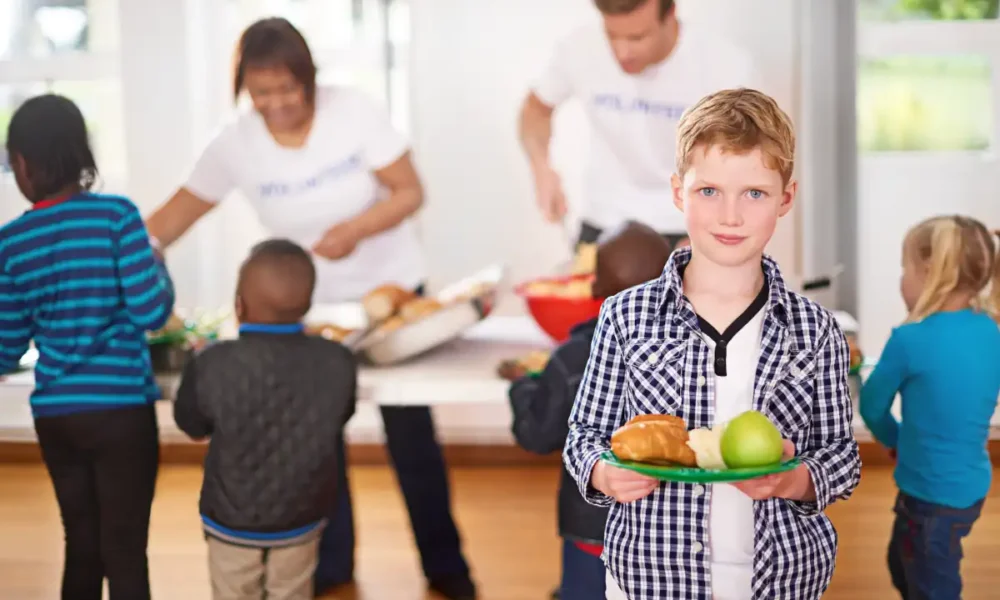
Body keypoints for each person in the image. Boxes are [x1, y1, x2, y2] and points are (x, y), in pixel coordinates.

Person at [143, 18, 476, 599]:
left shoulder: (355, 112)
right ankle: (331, 565)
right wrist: (114, 251)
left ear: (309, 80)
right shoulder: (234, 145)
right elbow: (165, 224)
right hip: (310, 308)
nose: (275, 104)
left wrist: (355, 229)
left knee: (410, 432)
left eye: (286, 89)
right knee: (318, 435)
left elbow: (410, 191)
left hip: (390, 292)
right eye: (260, 93)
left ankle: (446, 567)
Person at [562, 88, 862, 599]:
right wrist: (604, 475)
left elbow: (842, 455)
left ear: (785, 198)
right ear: (679, 192)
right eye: (709, 192)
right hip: (650, 579)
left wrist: (795, 480)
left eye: (754, 193)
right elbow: (584, 434)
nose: (730, 215)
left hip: (782, 580)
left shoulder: (816, 330)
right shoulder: (625, 317)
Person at [0, 94, 175, 600]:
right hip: (121, 411)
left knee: (81, 543)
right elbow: (150, 312)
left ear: (22, 165)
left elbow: (7, 346)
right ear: (83, 157)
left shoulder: (11, 244)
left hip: (57, 415)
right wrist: (157, 260)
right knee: (124, 550)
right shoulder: (118, 218)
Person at [173, 239, 357, 600]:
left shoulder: (212, 362)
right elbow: (340, 415)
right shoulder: (337, 360)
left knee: (233, 591)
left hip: (230, 518)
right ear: (307, 304)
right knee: (292, 590)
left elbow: (192, 425)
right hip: (303, 517)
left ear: (239, 306)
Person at [506, 221, 672, 600]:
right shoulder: (693, 351)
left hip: (593, 533)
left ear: (595, 288)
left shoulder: (573, 358)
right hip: (668, 534)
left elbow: (537, 433)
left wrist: (523, 385)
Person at [518, 0, 754, 249]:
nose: (622, 53)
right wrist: (541, 168)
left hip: (688, 226)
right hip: (604, 225)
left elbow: (749, 162)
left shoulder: (725, 66)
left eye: (637, 38)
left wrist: (715, 231)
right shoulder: (579, 47)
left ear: (670, 14)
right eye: (612, 36)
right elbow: (535, 110)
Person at [859, 215, 1000, 600]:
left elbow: (872, 407)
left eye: (904, 269)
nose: (901, 279)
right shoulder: (992, 330)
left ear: (929, 273)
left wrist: (894, 440)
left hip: (930, 494)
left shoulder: (909, 340)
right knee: (906, 562)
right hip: (969, 486)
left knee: (928, 581)